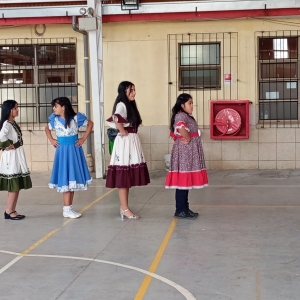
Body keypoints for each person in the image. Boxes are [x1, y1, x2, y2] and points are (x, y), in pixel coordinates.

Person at [106, 81, 150, 219]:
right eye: (131, 90)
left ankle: (124, 207)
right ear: (124, 91)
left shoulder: (128, 105)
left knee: (127, 176)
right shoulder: (122, 104)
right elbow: (116, 118)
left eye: (134, 90)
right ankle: (124, 208)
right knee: (124, 176)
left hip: (130, 141)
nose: (134, 93)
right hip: (125, 142)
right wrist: (122, 130)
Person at [45, 97, 93, 219]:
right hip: (62, 151)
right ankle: (66, 209)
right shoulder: (54, 119)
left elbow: (90, 123)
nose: (54, 109)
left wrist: (83, 138)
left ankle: (69, 207)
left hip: (74, 150)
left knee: (72, 179)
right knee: (66, 178)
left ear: (63, 107)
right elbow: (47, 128)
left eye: (55, 106)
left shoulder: (76, 118)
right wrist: (51, 139)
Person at [165, 93, 208, 220]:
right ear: (182, 104)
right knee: (182, 182)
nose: (192, 105)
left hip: (188, 153)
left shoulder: (185, 115)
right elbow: (181, 128)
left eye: (192, 103)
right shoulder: (180, 115)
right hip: (185, 153)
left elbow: (175, 133)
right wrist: (187, 138)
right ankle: (180, 210)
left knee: (186, 182)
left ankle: (185, 208)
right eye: (189, 103)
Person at [0, 100, 32, 220]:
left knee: (17, 184)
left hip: (16, 155)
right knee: (13, 185)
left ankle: (12, 210)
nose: (17, 110)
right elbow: (1, 136)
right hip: (11, 157)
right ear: (9, 110)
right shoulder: (7, 124)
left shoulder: (12, 123)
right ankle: (8, 211)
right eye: (15, 108)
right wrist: (9, 145)